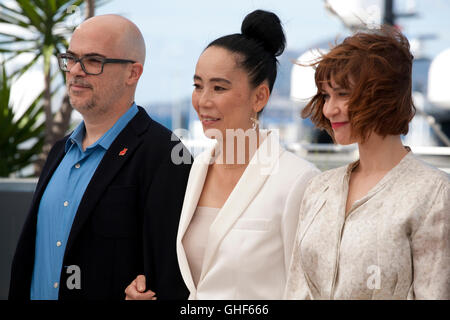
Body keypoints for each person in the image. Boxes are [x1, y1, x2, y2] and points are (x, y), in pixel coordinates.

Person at [125, 10, 319, 300]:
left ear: (260, 97)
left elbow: (306, 290)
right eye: (198, 85)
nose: (203, 101)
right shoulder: (193, 171)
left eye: (219, 88)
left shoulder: (298, 180)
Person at [9, 15, 191, 300]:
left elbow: (170, 273)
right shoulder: (60, 151)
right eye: (71, 58)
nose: (76, 71)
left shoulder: (165, 154)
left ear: (133, 73)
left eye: (94, 61)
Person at [285, 27, 450, 300]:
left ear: (381, 96)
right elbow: (295, 289)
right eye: (326, 96)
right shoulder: (319, 189)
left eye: (343, 94)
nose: (328, 109)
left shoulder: (433, 194)